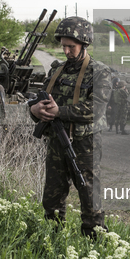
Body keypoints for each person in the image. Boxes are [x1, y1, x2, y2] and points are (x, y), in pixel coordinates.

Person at [29, 16, 111, 238]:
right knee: (52, 197)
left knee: (89, 196)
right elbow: (40, 100)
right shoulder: (57, 70)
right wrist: (35, 110)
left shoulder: (100, 72)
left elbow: (96, 109)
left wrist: (60, 112)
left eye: (71, 47)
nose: (66, 51)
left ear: (84, 44)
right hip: (56, 141)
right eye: (63, 46)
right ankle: (53, 239)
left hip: (85, 144)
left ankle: (94, 242)